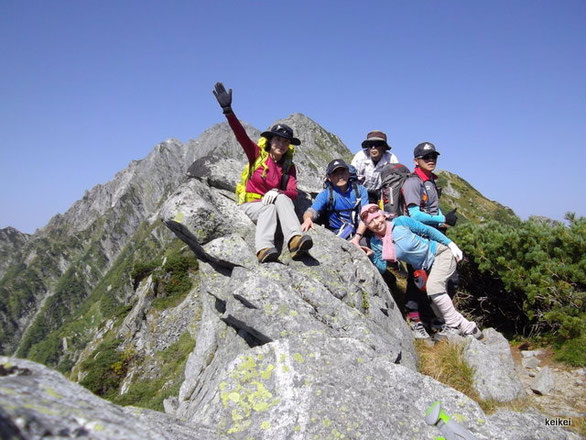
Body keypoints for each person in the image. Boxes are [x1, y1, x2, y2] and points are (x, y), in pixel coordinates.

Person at [212, 82, 313, 263]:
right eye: (277, 140)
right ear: (270, 140)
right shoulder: (257, 155)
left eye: (285, 142)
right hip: (251, 204)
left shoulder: (289, 167)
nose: (281, 144)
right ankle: (264, 248)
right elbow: (241, 135)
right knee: (269, 207)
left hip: (272, 203)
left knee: (280, 200)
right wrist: (228, 110)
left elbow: (293, 192)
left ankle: (295, 241)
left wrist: (277, 192)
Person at [359, 204, 483, 341]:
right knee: (433, 300)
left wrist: (451, 244)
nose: (376, 223)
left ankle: (453, 326)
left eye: (377, 217)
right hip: (425, 267)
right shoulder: (377, 243)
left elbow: (428, 230)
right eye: (370, 221)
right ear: (367, 226)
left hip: (439, 254)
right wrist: (371, 255)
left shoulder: (401, 222)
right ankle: (471, 329)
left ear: (383, 215)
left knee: (434, 289)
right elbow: (382, 268)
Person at [400, 142, 459, 339]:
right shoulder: (413, 182)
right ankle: (417, 322)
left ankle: (432, 319)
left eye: (433, 156)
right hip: (418, 238)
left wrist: (443, 220)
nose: (431, 160)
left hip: (433, 236)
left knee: (444, 279)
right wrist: (443, 219)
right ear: (416, 161)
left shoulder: (430, 181)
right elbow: (415, 215)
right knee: (418, 279)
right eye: (426, 157)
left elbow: (432, 208)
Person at [301, 159, 369, 238]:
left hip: (360, 232)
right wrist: (308, 219)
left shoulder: (360, 190)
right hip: (336, 233)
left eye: (342, 172)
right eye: (335, 173)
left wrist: (358, 236)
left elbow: (366, 215)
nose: (340, 176)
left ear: (348, 173)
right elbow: (312, 211)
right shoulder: (326, 194)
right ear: (329, 178)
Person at [351, 130, 399, 203]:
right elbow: (352, 177)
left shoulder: (391, 158)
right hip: (360, 194)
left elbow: (396, 179)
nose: (373, 147)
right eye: (370, 145)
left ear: (383, 147)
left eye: (377, 144)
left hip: (383, 195)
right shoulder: (360, 157)